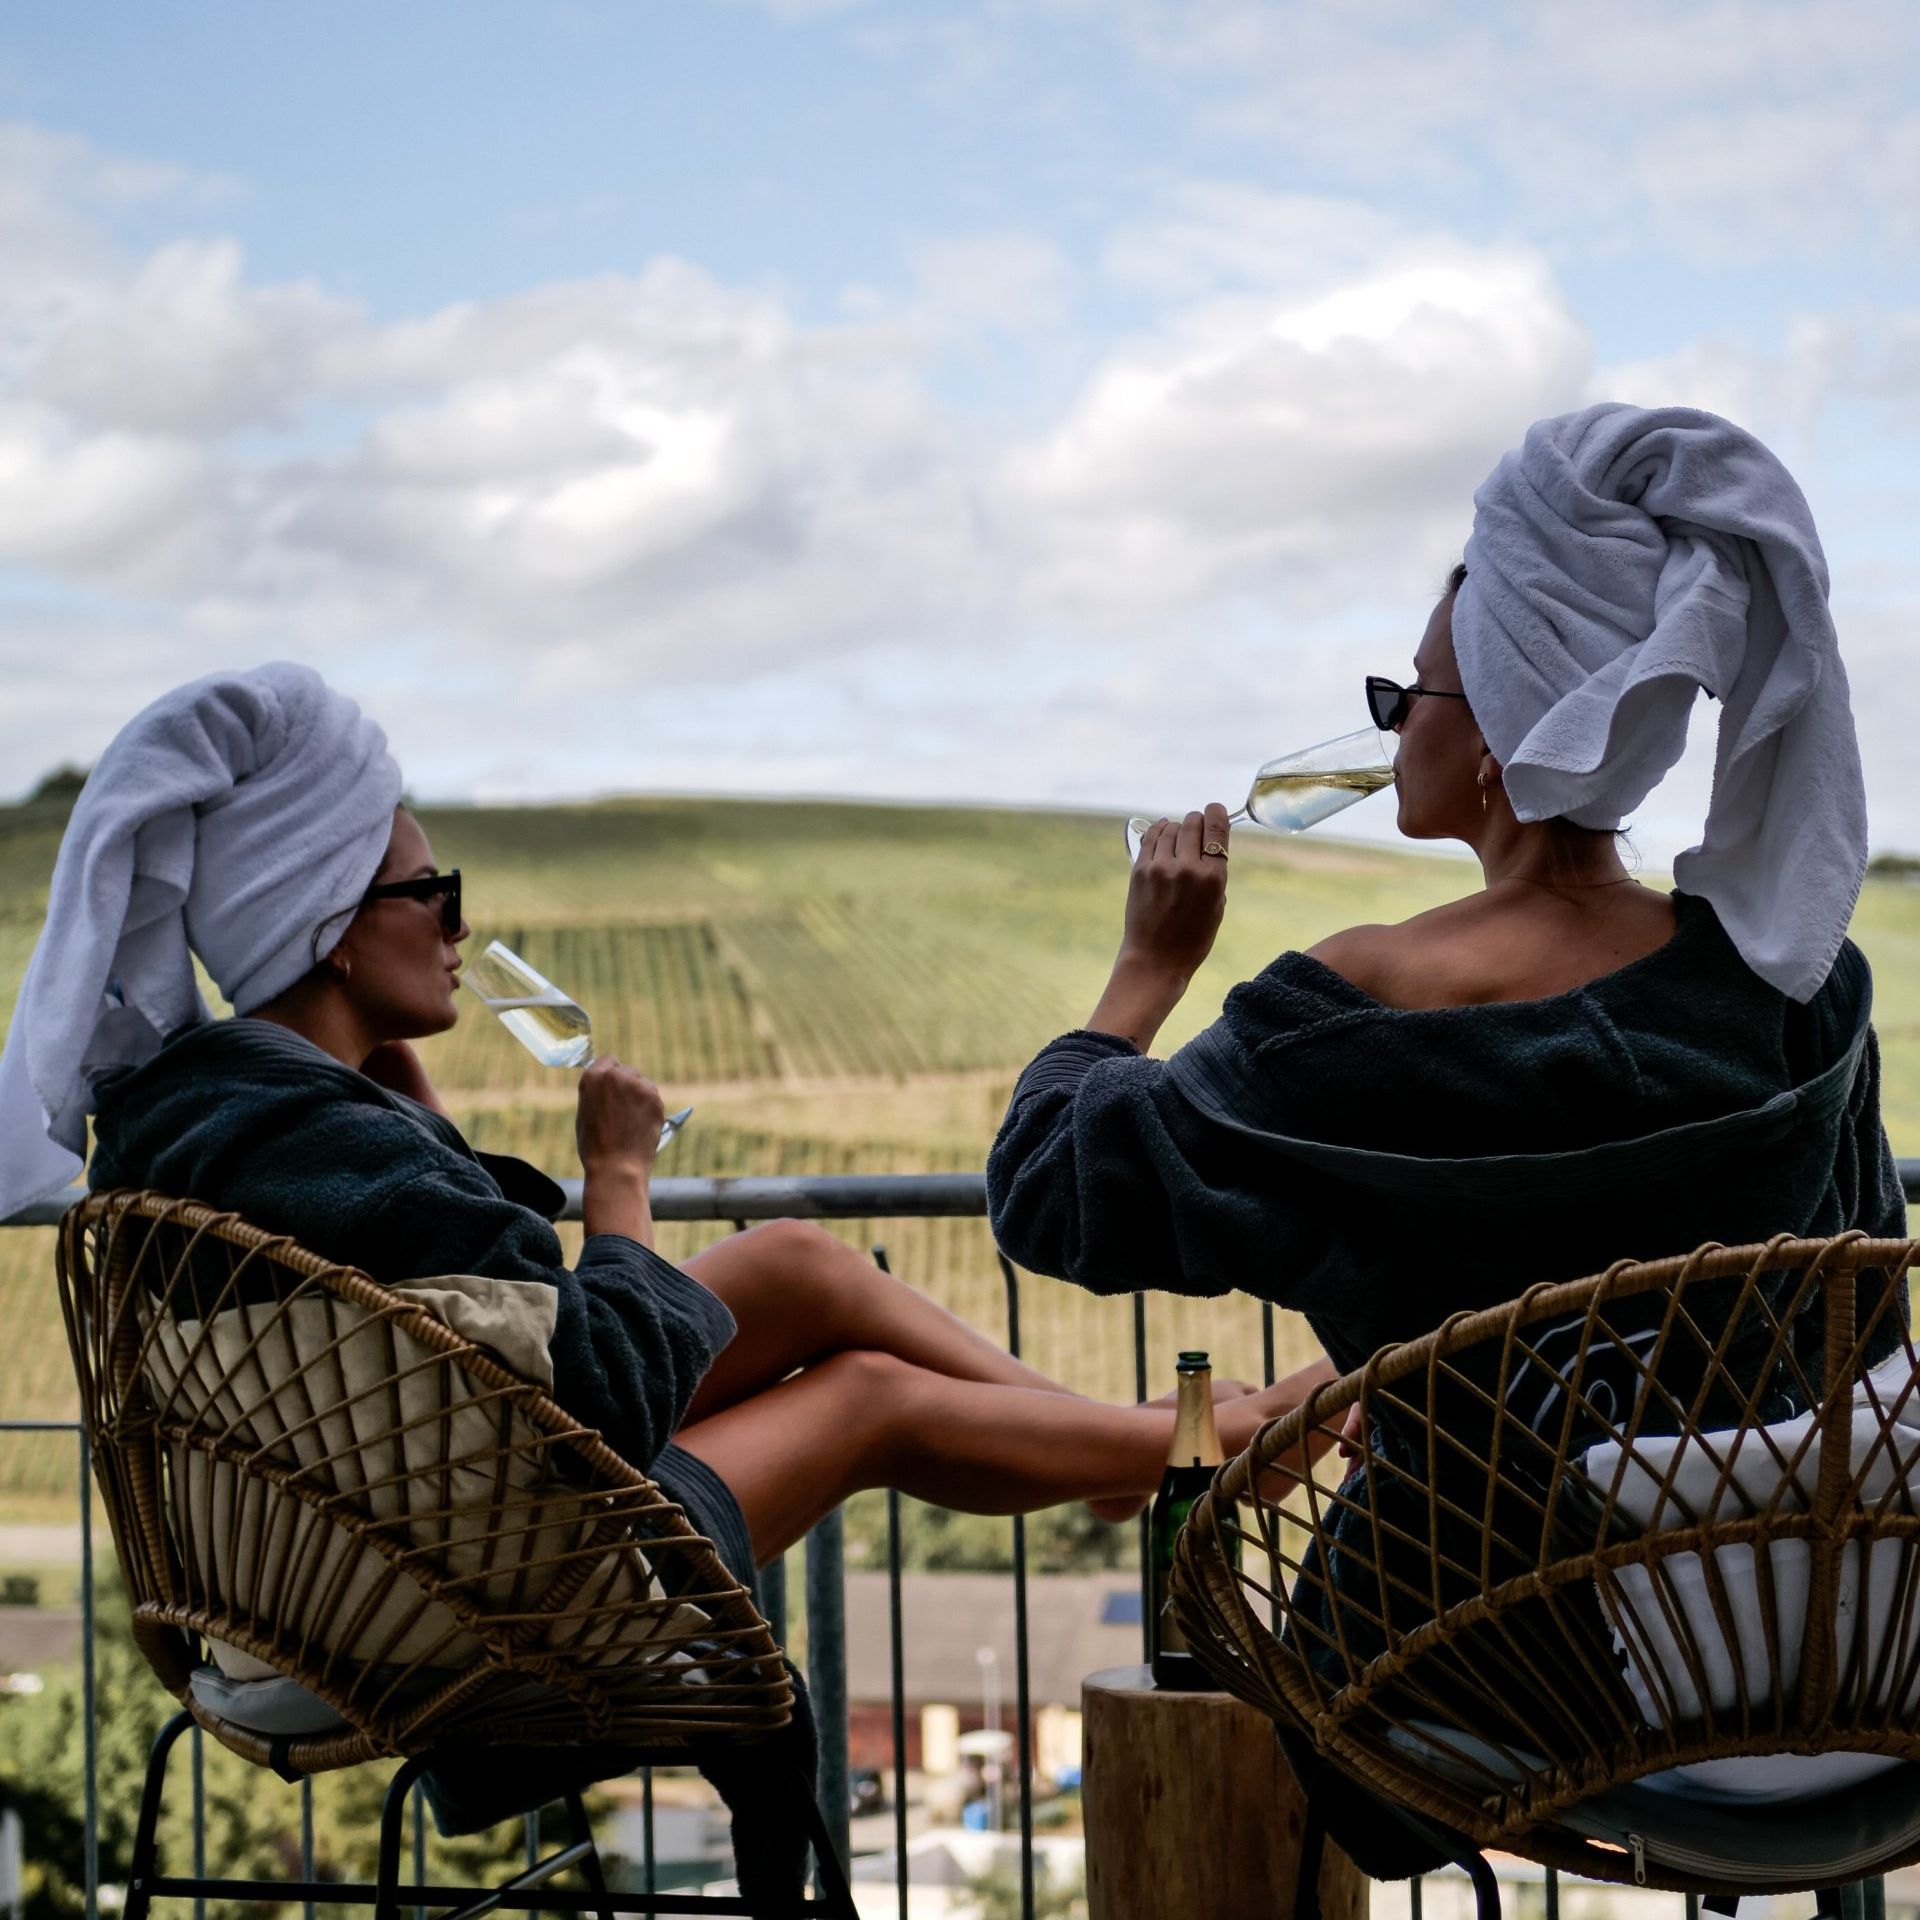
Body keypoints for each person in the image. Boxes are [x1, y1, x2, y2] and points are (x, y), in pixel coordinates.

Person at [0, 662, 1329, 1896]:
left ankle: (1109, 1463)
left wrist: (409, 1112)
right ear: (332, 927)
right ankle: (1184, 1453)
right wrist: (617, 1176)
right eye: (432, 893)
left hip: (308, 1578)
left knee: (803, 1263)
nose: (462, 927)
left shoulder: (207, 1116)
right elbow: (598, 1392)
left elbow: (440, 1341)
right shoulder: (322, 1144)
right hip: (463, 1594)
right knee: (867, 1398)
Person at [986, 403, 1909, 1874]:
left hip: (1476, 1685)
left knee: (1234, 1683)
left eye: (1402, 692)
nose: (1385, 722)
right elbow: (1860, 1332)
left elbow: (1050, 1191)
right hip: (1810, 1672)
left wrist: (1145, 975)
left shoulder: (1357, 1015)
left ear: (1500, 736)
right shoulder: (1797, 986)